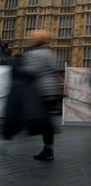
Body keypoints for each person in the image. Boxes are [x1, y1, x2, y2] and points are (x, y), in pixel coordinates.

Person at [19, 30, 60, 160]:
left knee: (40, 120)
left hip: (41, 91)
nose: (28, 39)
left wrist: (19, 68)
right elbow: (54, 69)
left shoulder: (35, 54)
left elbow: (31, 71)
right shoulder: (48, 52)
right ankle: (48, 149)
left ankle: (47, 149)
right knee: (45, 121)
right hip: (51, 91)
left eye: (31, 37)